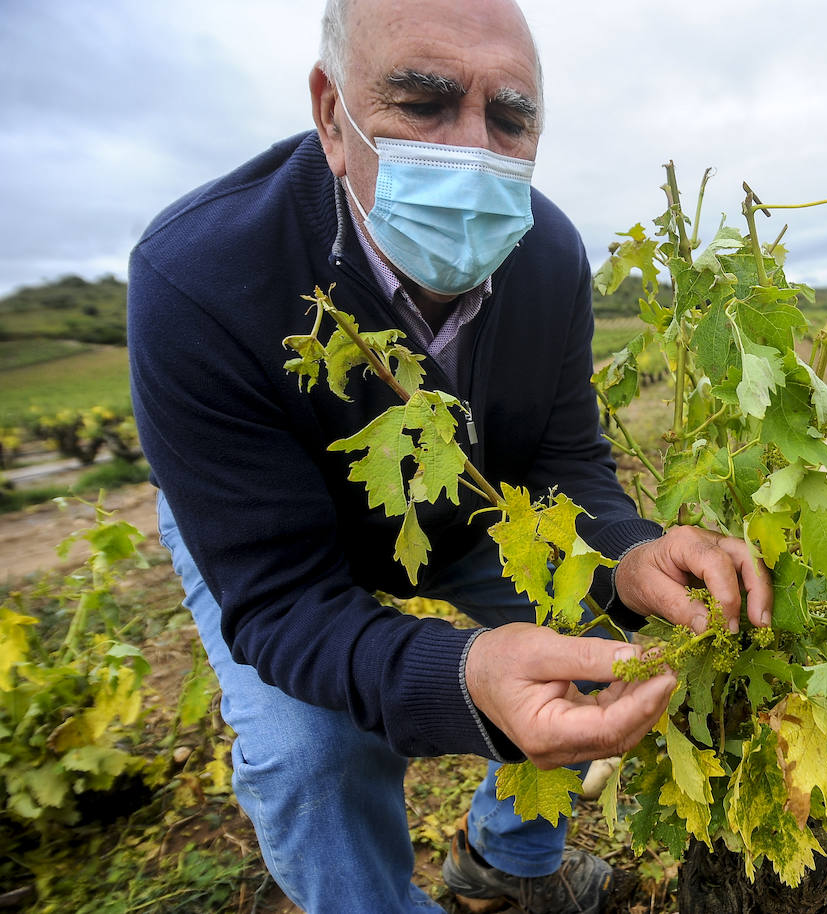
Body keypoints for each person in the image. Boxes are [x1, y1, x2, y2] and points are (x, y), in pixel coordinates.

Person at [127, 0, 772, 911]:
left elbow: (563, 455)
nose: (474, 149)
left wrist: (625, 554)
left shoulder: (547, 255)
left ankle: (503, 861)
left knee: (602, 643)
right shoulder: (196, 274)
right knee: (317, 753)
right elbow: (279, 596)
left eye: (511, 118)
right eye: (423, 105)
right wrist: (464, 675)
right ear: (330, 114)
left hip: (462, 500)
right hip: (276, 528)